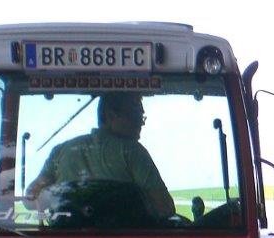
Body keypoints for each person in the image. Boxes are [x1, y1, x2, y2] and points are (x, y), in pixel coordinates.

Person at [25, 92, 175, 219]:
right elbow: (164, 208)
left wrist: (61, 196)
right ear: (111, 116)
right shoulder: (132, 151)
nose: (141, 123)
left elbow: (30, 200)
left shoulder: (60, 151)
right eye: (136, 116)